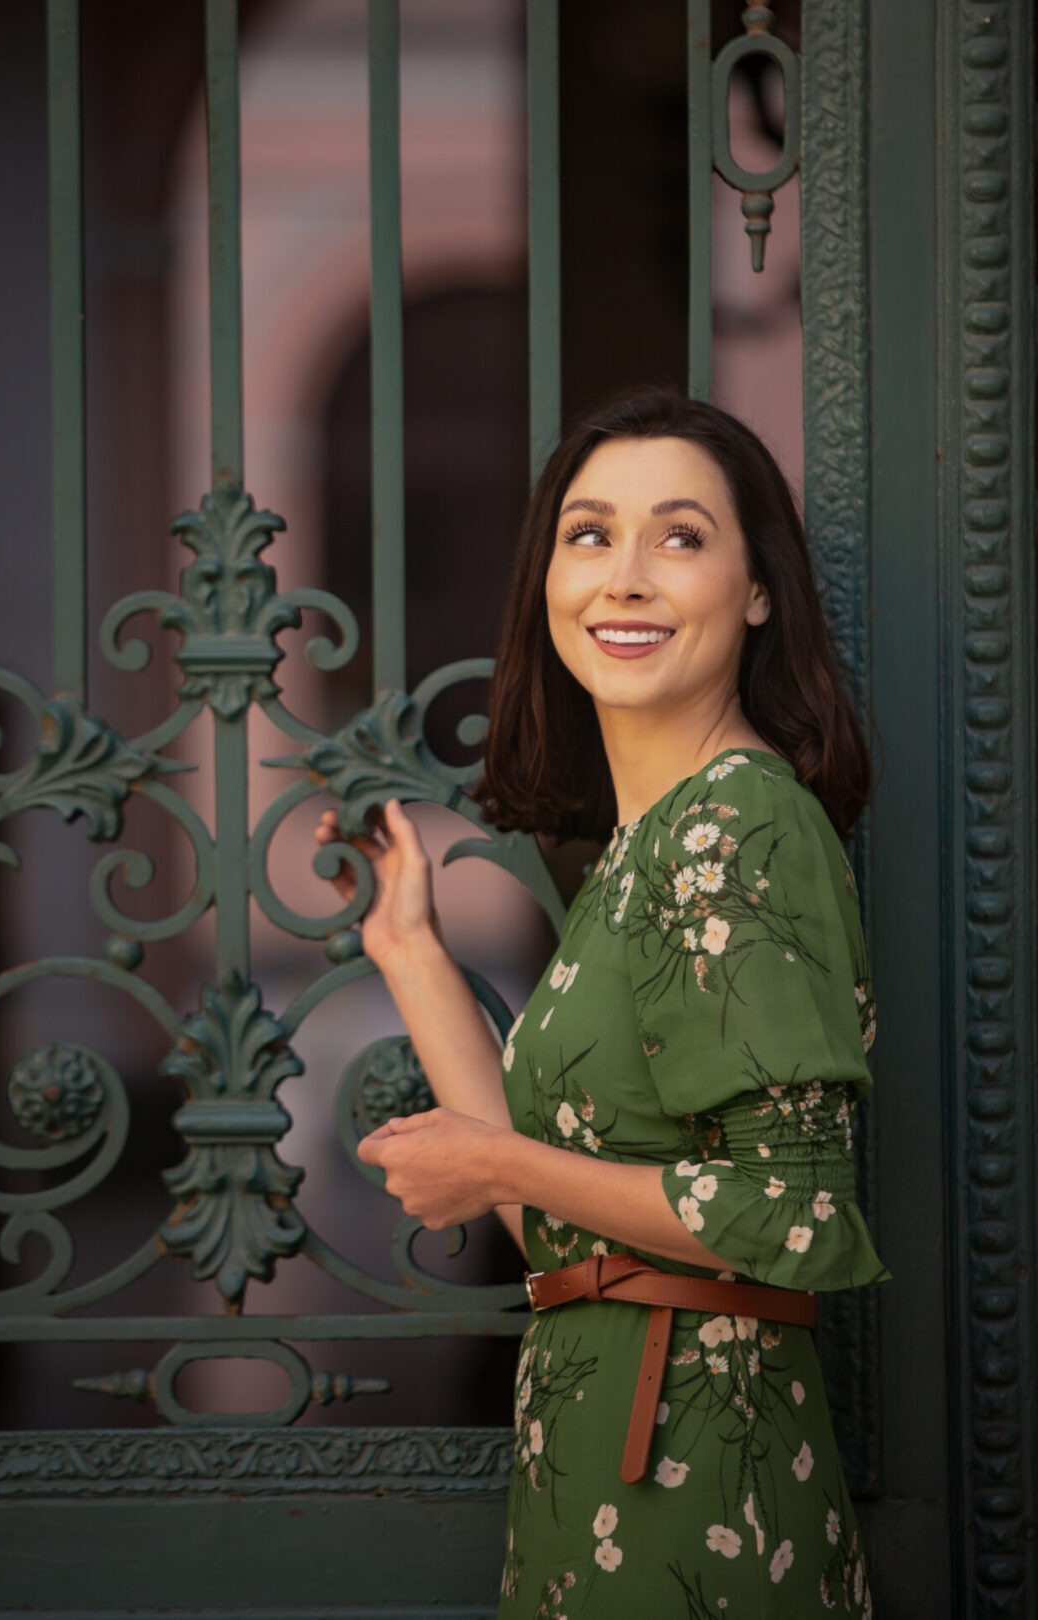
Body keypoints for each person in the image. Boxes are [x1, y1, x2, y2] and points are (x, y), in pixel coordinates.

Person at [314, 386, 888, 1617]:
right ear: (548, 581)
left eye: (680, 536)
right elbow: (565, 1235)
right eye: (590, 535)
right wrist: (409, 950)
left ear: (758, 590)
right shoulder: (650, 842)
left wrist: (489, 1162)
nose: (624, 577)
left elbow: (790, 1213)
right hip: (598, 1457)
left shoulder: (738, 824)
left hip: (698, 1484)